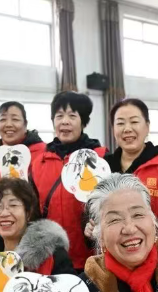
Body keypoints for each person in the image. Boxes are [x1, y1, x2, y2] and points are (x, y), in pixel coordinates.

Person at [31, 91, 107, 271]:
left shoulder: (101, 158)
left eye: (72, 116)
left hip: (93, 259)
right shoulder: (38, 163)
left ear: (83, 122)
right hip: (51, 259)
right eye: (59, 116)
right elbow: (33, 212)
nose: (65, 121)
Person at [105, 98, 158, 241]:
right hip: (112, 250)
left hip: (156, 249)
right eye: (120, 123)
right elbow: (92, 213)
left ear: (147, 127)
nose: (127, 129)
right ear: (113, 129)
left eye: (134, 122)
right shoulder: (103, 167)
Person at [0, 102, 46, 185]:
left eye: (15, 119)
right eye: (3, 120)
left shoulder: (43, 152)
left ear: (25, 124)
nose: (8, 124)